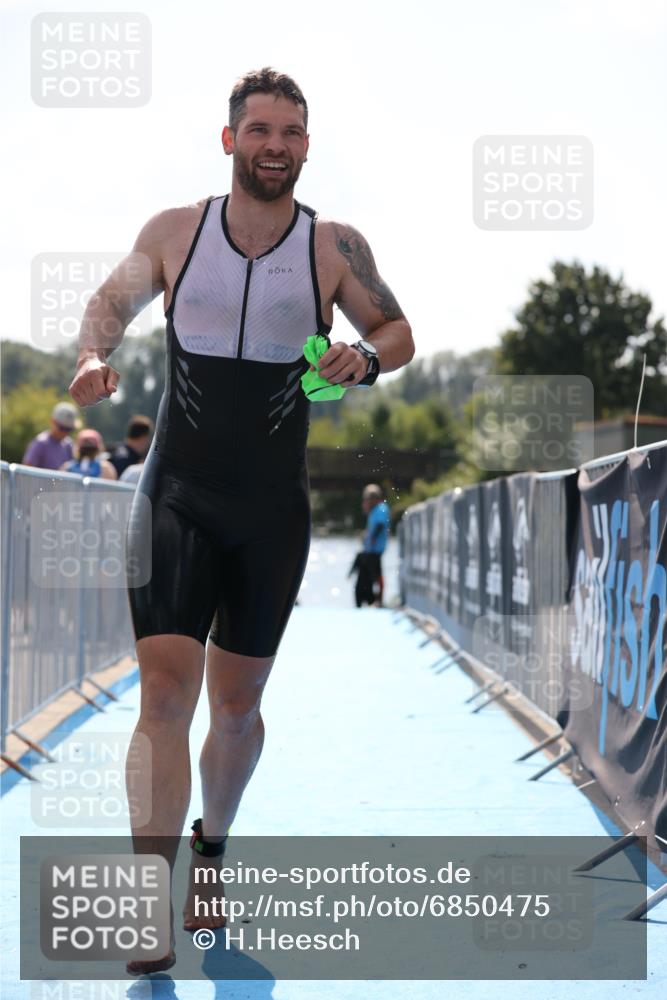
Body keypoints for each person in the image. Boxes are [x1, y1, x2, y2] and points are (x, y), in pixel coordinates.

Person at [68, 66, 414, 975]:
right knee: (165, 695)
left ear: (305, 145)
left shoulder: (333, 246)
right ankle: (148, 902)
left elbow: (397, 333)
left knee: (234, 707)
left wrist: (362, 362)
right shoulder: (176, 232)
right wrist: (94, 355)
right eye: (259, 129)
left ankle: (211, 847)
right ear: (229, 140)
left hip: (269, 508)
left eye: (291, 132)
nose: (275, 145)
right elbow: (110, 301)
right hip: (174, 490)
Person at [22, 401, 80, 470]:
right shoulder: (41, 443)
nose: (65, 432)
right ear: (53, 422)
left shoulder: (68, 444)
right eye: (62, 428)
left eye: (69, 429)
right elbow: (27, 469)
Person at [362, 483, 391, 606]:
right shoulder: (375, 509)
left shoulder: (381, 508)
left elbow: (380, 524)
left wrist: (372, 538)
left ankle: (380, 599)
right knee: (373, 573)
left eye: (369, 498)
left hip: (376, 548)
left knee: (377, 573)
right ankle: (374, 599)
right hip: (371, 548)